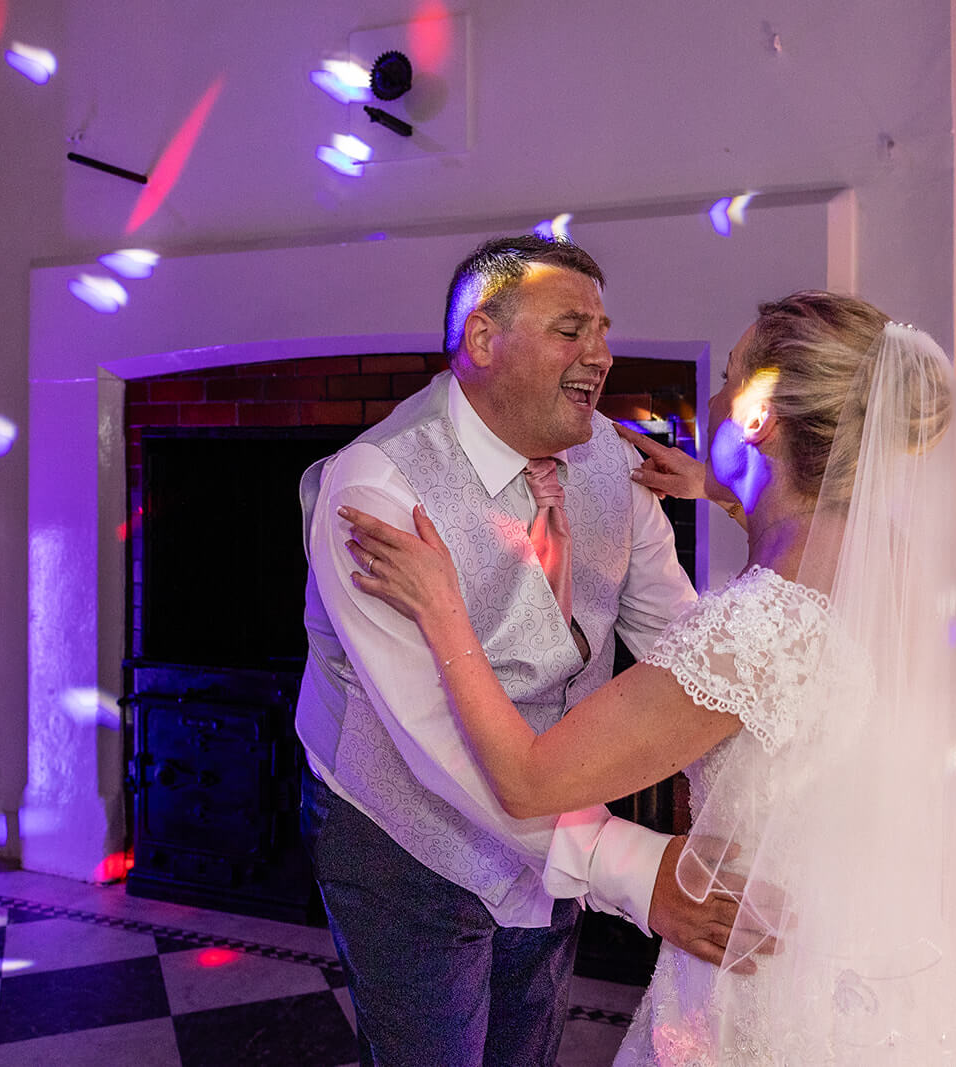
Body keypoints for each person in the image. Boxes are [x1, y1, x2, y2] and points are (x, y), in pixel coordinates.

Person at [343, 291, 956, 1063]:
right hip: (874, 962)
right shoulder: (887, 560)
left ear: (758, 417)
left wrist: (443, 607)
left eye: (728, 376)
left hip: (764, 973)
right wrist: (716, 486)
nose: (713, 397)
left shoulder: (754, 634)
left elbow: (527, 779)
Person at [295, 234, 750, 1067]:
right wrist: (633, 868)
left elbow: (681, 647)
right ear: (481, 339)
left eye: (603, 332)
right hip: (403, 833)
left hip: (555, 827)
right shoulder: (377, 487)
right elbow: (431, 736)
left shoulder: (612, 459)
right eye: (571, 329)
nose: (601, 355)